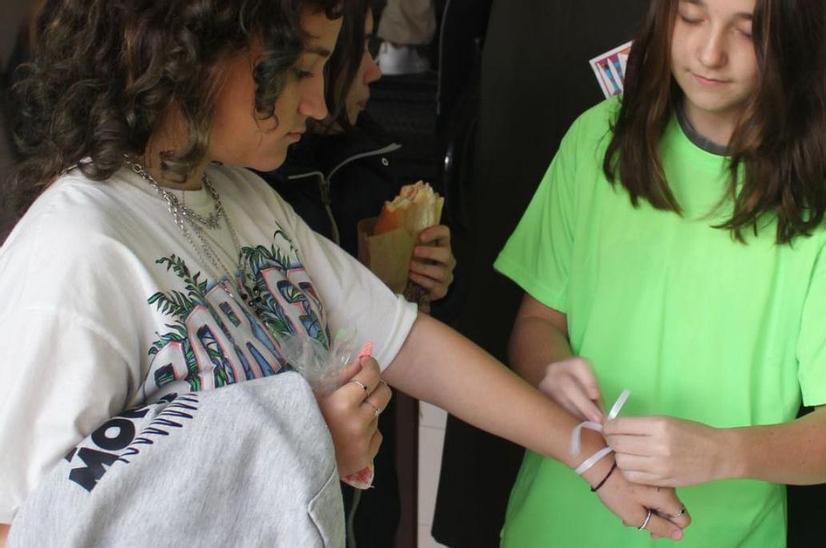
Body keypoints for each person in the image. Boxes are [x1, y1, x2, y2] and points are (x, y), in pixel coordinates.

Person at [0, 0, 689, 544]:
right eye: (298, 70)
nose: (318, 104)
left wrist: (589, 456)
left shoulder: (234, 199)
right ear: (194, 52)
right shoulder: (76, 252)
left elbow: (406, 342)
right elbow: (30, 527)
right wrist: (309, 438)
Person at [495, 0, 826, 545]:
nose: (709, 52)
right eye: (692, 17)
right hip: (554, 524)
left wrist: (724, 453)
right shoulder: (598, 140)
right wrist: (552, 372)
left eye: (745, 31)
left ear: (794, 41)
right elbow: (536, 324)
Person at [256, 0, 456, 544]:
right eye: (357, 50)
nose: (374, 69)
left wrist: (421, 280)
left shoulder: (379, 159)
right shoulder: (253, 187)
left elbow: (397, 328)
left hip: (370, 467)